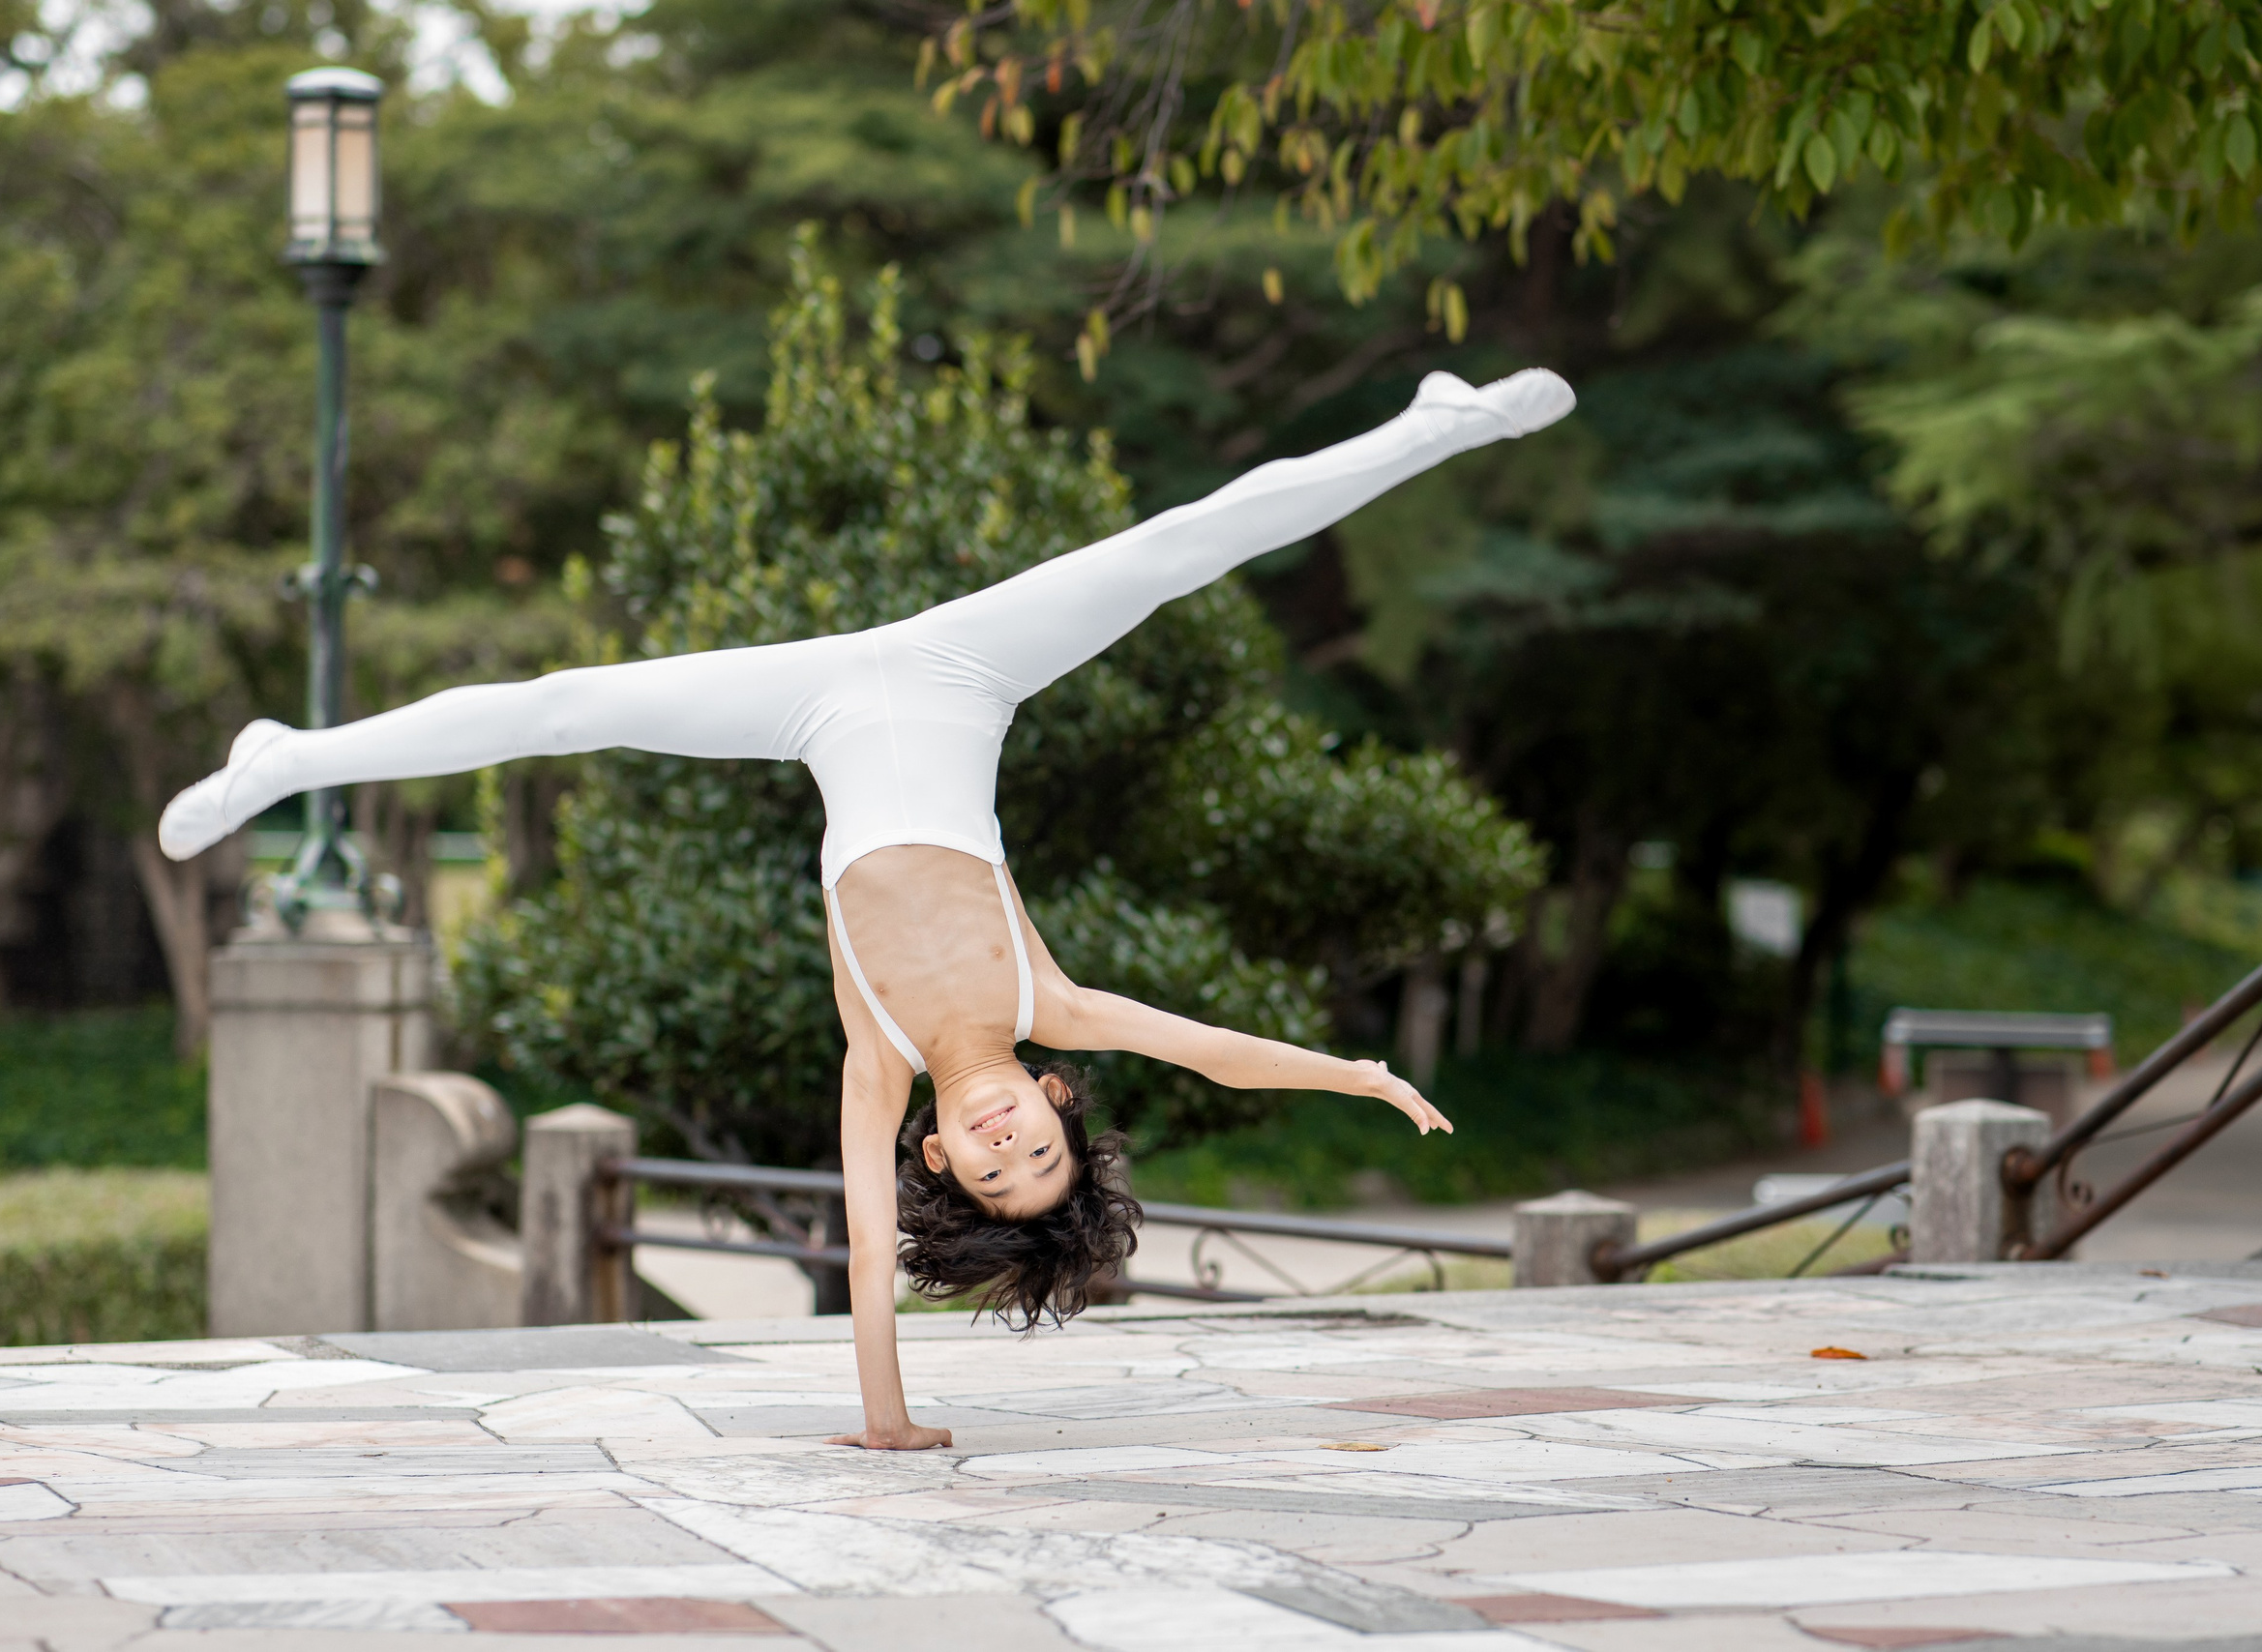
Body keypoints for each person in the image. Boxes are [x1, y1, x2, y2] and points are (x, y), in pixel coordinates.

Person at [161, 365, 1576, 1449]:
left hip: (821, 707)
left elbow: (860, 1245)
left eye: (996, 1172)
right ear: (1057, 1103)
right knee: (1183, 545)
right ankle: (1435, 426)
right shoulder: (1050, 1003)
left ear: (945, 1160)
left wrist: (884, 1414)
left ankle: (290, 763)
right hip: (970, 667)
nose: (1012, 1147)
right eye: (1042, 1157)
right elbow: (1214, 1048)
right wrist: (1363, 1076)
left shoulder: (878, 1061)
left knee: (564, 707)